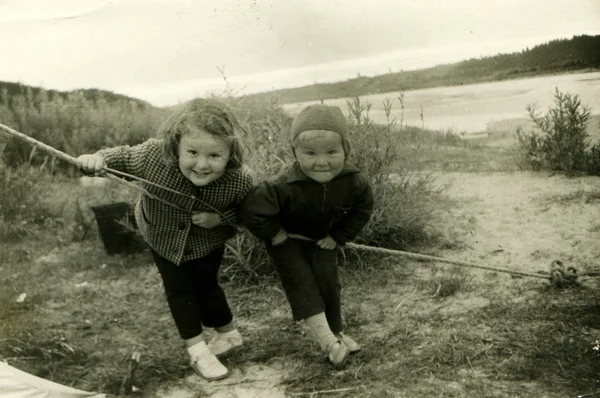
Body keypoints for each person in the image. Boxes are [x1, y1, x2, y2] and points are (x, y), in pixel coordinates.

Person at [77, 99, 253, 381]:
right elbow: (117, 156)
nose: (202, 164)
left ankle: (229, 334)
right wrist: (95, 159)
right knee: (180, 290)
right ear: (176, 145)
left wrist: (221, 219)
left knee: (207, 287)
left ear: (231, 153)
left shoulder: (241, 180)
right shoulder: (151, 156)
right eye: (192, 152)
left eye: (214, 156)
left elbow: (250, 214)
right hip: (162, 239)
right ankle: (197, 351)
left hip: (208, 243)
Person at [240, 104, 374, 368]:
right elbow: (250, 209)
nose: (321, 161)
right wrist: (274, 233)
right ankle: (329, 343)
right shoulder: (282, 184)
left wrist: (338, 236)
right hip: (287, 243)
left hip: (324, 240)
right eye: (310, 153)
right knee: (302, 283)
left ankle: (336, 332)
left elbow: (362, 210)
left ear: (346, 150)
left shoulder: (355, 182)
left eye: (332, 152)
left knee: (328, 282)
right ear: (295, 152)